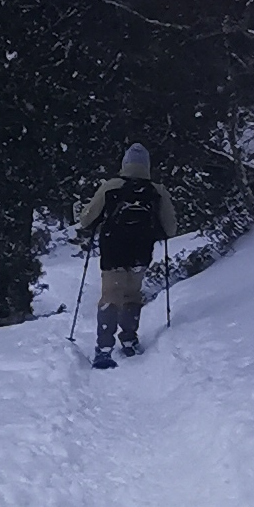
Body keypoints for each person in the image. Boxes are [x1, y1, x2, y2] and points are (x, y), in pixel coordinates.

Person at [70, 142, 170, 366]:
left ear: (125, 163)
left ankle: (104, 349)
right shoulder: (157, 191)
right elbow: (170, 228)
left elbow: (87, 219)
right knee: (132, 293)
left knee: (111, 294)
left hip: (113, 248)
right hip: (142, 250)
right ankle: (129, 340)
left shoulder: (111, 186)